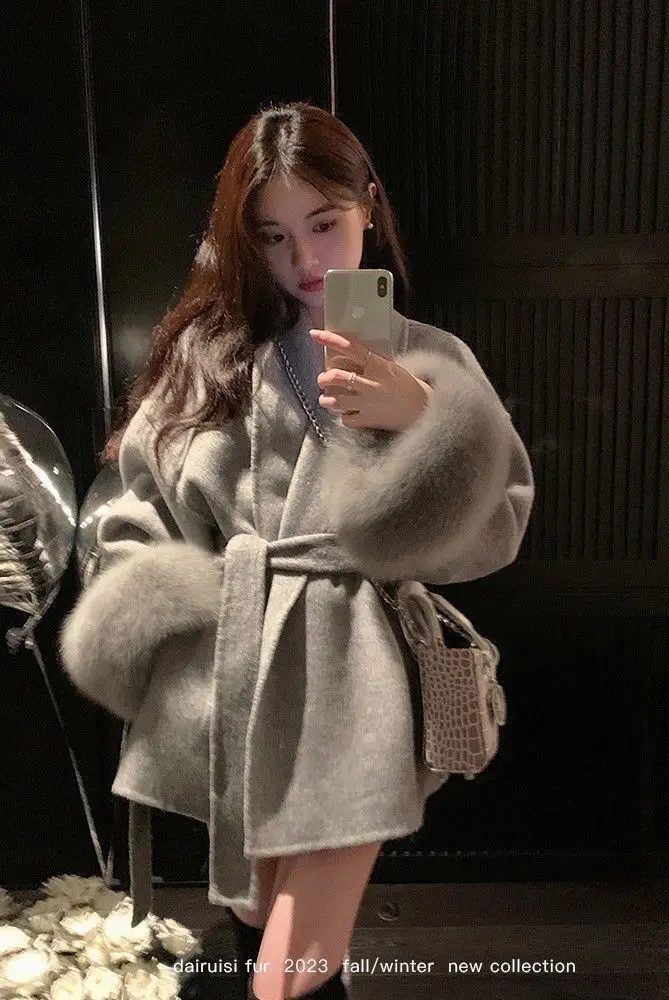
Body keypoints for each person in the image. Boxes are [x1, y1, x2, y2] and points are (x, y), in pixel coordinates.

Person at [58, 101, 535, 1000]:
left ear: (369, 207)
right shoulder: (210, 358)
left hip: (362, 675)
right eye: (274, 237)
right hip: (237, 672)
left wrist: (426, 424)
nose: (306, 260)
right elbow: (133, 505)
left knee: (291, 965)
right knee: (259, 924)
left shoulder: (432, 361)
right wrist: (165, 618)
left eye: (324, 223)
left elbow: (496, 533)